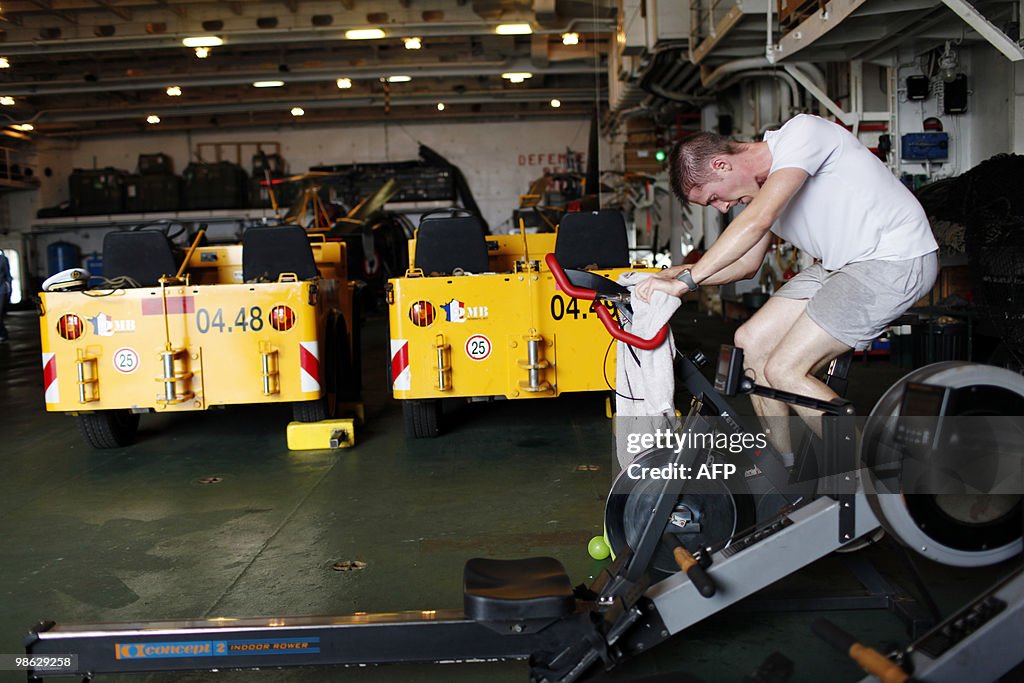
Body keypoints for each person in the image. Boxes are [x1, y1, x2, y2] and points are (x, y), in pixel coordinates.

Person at [635, 114, 938, 463]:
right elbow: (745, 266)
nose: (722, 207)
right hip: (840, 266)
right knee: (751, 341)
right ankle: (782, 466)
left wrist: (690, 279)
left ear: (721, 164)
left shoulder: (800, 135)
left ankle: (873, 475)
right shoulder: (761, 194)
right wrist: (675, 276)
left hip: (893, 259)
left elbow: (759, 220)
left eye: (715, 198)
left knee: (785, 370)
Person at [0, 250, 11, 342]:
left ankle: (3, 333)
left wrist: (9, 291)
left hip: (1, 290)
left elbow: (8, 275)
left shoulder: (3, 259)